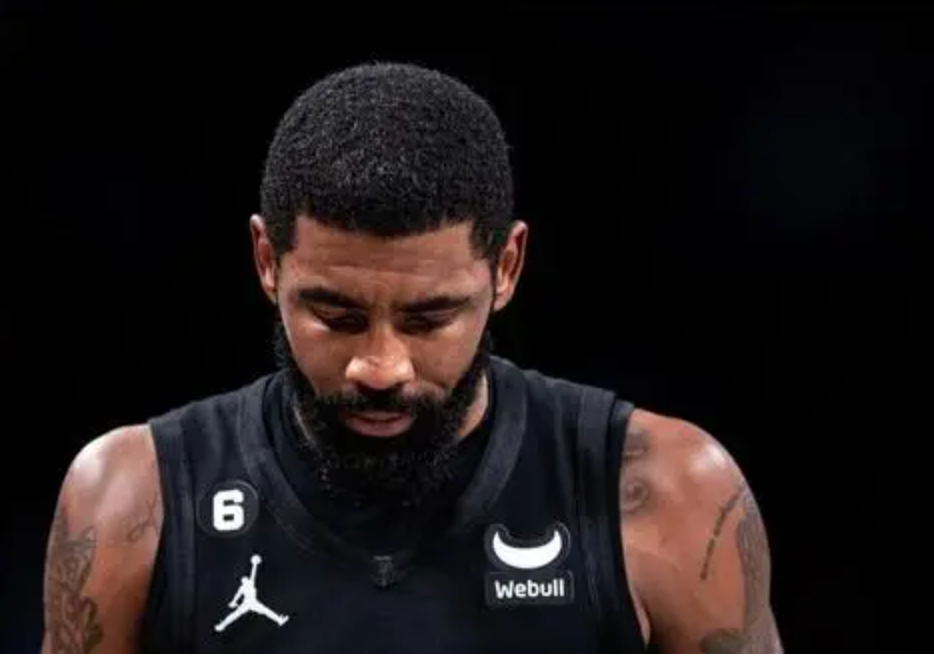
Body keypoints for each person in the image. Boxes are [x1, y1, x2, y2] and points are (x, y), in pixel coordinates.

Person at [40, 61, 783, 653]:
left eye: (430, 319)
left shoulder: (668, 492)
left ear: (507, 268)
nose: (380, 367)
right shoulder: (133, 497)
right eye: (336, 316)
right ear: (267, 261)